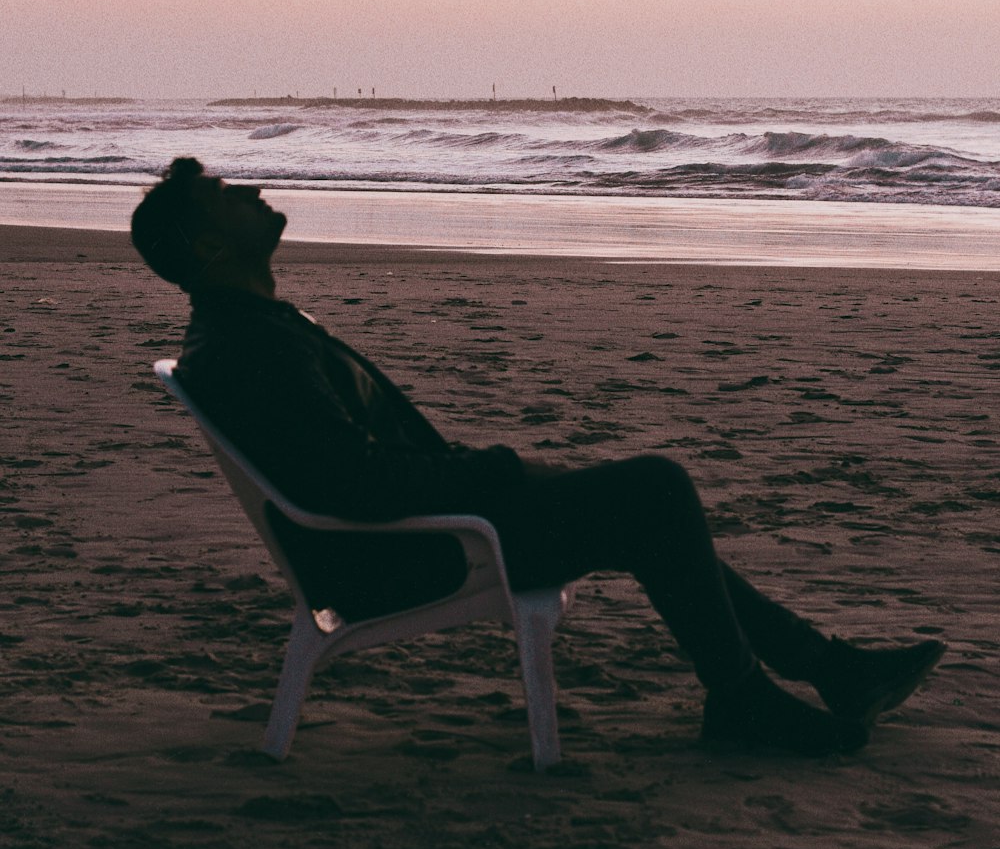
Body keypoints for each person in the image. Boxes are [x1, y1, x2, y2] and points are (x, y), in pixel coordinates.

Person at [130, 157, 945, 758]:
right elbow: (355, 482)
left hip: (404, 535)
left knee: (643, 501)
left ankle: (815, 671)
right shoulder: (250, 345)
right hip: (408, 555)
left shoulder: (249, 327)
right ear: (207, 245)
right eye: (222, 195)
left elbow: (350, 470)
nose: (246, 190)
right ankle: (750, 696)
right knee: (655, 488)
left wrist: (492, 473)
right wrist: (493, 472)